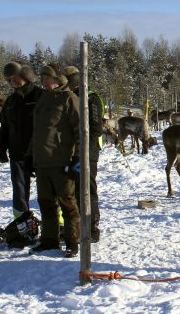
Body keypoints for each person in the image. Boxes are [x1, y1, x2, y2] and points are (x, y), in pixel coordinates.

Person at [29, 64, 81, 258]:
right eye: (42, 77)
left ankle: (72, 242)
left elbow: (80, 130)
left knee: (67, 203)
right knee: (45, 203)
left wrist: (77, 157)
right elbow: (37, 131)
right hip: (42, 161)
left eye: (47, 78)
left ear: (59, 79)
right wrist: (30, 155)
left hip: (62, 160)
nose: (43, 81)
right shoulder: (43, 98)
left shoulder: (69, 98)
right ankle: (49, 240)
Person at [64, 65, 104, 243]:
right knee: (72, 188)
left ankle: (92, 225)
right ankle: (76, 225)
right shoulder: (67, 97)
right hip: (71, 149)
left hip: (90, 149)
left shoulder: (91, 98)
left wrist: (86, 150)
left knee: (88, 186)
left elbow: (96, 128)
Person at [0, 62, 44, 218]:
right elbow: (5, 127)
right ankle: (21, 224)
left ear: (25, 75)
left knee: (48, 192)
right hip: (18, 153)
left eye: (16, 77)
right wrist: (2, 148)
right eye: (10, 79)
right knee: (19, 192)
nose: (13, 81)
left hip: (41, 152)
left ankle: (55, 227)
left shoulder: (41, 96)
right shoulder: (10, 102)